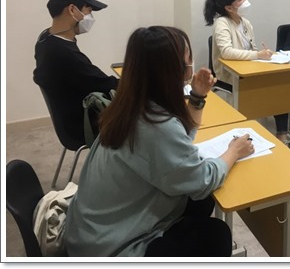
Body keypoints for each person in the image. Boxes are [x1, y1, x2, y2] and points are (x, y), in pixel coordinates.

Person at [64, 26, 255, 257]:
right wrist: (234, 151)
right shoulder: (155, 125)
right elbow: (202, 181)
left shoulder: (130, 105)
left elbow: (178, 141)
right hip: (111, 249)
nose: (191, 65)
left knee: (201, 203)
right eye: (188, 58)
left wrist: (197, 97)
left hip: (90, 232)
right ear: (172, 70)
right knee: (216, 234)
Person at [33, 0, 119, 146]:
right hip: (84, 127)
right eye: (89, 10)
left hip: (69, 120)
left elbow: (92, 80)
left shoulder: (45, 39)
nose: (90, 17)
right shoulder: (64, 54)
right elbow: (107, 85)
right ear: (72, 9)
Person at [203, 0, 290, 144]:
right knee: (271, 90)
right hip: (229, 76)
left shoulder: (246, 23)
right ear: (229, 7)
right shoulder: (222, 23)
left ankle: (282, 135)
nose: (245, 1)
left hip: (249, 72)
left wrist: (264, 55)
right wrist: (257, 55)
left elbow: (252, 49)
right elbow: (227, 52)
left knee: (280, 87)